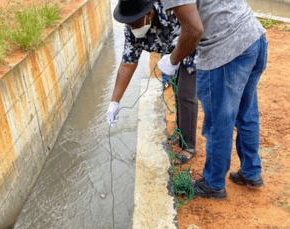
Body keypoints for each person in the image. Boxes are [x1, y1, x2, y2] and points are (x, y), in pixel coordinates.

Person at [158, 0, 267, 199]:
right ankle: (251, 172)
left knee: (219, 122)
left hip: (226, 51)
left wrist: (172, 60)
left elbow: (193, 30)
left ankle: (214, 183)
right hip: (254, 38)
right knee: (246, 113)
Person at [107, 0, 198, 163]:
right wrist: (114, 101)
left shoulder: (171, 11)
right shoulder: (131, 28)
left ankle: (188, 146)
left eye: (135, 23)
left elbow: (193, 29)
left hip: (188, 47)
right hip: (170, 56)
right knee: (176, 93)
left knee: (186, 94)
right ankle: (181, 133)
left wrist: (175, 58)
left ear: (148, 14)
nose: (133, 28)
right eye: (130, 24)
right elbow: (128, 64)